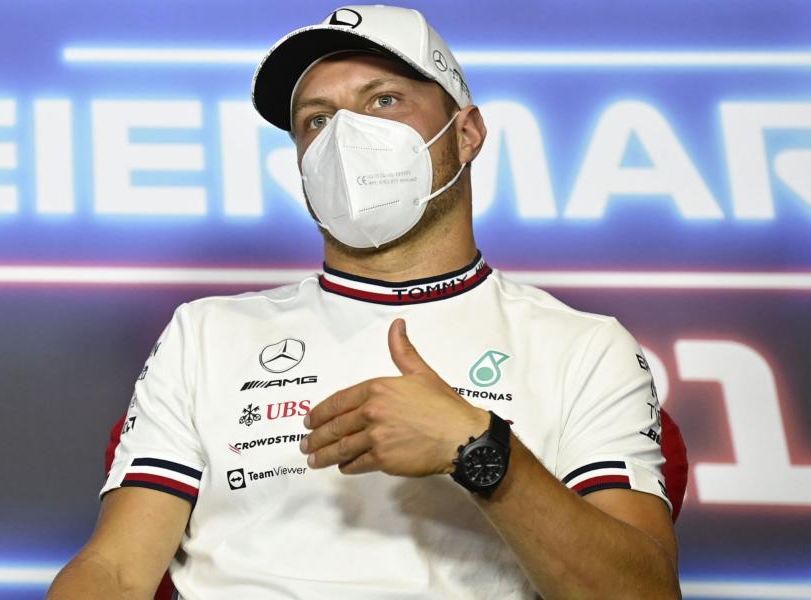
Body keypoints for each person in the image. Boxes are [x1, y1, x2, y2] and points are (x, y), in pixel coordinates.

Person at [48, 5, 680, 598]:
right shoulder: (206, 333)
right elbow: (116, 570)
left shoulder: (583, 346)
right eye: (318, 120)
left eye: (384, 100)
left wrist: (480, 449)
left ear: (466, 133)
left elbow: (644, 589)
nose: (346, 136)